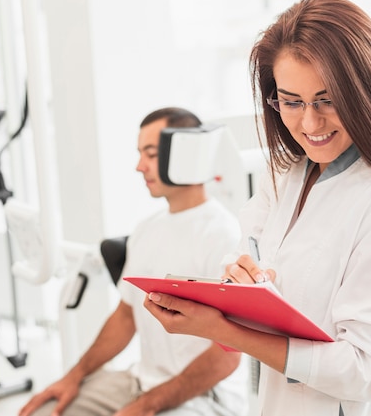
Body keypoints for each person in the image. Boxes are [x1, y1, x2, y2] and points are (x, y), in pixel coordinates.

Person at [144, 0, 371, 415]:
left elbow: (369, 371)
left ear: (366, 93)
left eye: (327, 101)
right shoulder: (286, 177)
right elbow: (248, 259)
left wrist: (223, 330)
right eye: (292, 102)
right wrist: (233, 288)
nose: (310, 124)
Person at [19, 107, 248, 416]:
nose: (140, 166)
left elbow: (227, 356)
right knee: (44, 411)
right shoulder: (146, 229)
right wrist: (73, 376)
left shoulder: (224, 236)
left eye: (150, 154)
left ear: (185, 155)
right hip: (140, 381)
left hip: (206, 398)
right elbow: (126, 318)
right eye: (140, 153)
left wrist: (144, 407)